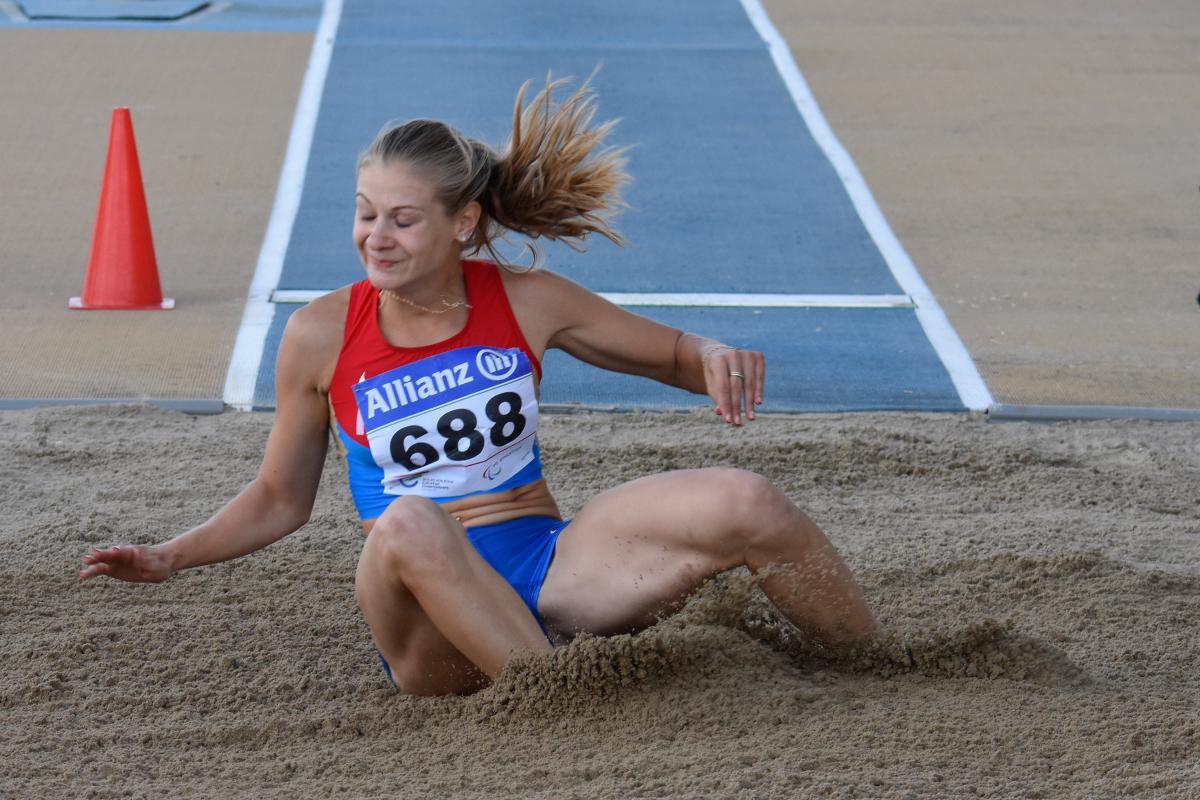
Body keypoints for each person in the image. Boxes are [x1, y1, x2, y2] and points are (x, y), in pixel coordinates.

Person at [80, 78, 877, 696]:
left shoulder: (525, 302)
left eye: (402, 219)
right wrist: (169, 557)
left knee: (746, 499)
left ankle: (875, 667)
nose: (375, 238)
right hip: (429, 626)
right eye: (365, 215)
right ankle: (560, 697)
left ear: (461, 224)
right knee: (410, 521)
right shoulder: (323, 334)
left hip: (550, 570)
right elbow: (281, 499)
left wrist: (711, 353)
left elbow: (668, 352)